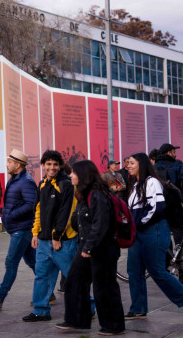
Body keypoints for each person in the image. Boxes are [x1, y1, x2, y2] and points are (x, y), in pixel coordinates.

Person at [56, 160, 125, 336]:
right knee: (74, 280)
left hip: (101, 248)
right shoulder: (83, 194)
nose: (70, 175)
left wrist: (88, 247)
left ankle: (113, 325)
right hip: (87, 245)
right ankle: (77, 320)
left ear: (83, 175)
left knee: (105, 287)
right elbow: (82, 220)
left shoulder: (98, 195)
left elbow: (100, 224)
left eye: (74, 173)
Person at [125, 152, 183, 320]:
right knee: (134, 270)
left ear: (141, 165)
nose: (128, 166)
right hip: (140, 232)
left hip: (154, 230)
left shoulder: (152, 182)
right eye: (128, 163)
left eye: (131, 163)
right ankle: (138, 308)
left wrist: (138, 224)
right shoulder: (135, 185)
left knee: (157, 270)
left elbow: (157, 208)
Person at [22, 150, 77, 322]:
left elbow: (67, 213)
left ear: (60, 166)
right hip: (44, 241)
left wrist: (57, 236)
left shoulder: (66, 184)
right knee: (42, 276)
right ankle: (40, 311)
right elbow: (38, 209)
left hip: (62, 241)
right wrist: (35, 233)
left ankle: (89, 306)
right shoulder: (42, 184)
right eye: (48, 164)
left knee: (74, 277)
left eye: (55, 164)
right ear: (43, 165)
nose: (52, 167)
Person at [0, 149, 37, 310]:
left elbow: (31, 204)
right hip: (18, 228)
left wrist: (11, 215)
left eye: (9, 162)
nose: (7, 165)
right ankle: (47, 294)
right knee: (34, 263)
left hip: (22, 228)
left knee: (11, 263)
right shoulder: (15, 180)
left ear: (17, 165)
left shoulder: (25, 181)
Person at [154, 143, 183, 283]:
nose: (175, 153)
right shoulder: (177, 166)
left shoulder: (152, 168)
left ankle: (165, 267)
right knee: (179, 233)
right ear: (169, 153)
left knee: (164, 234)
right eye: (173, 151)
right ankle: (180, 267)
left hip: (159, 207)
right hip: (176, 207)